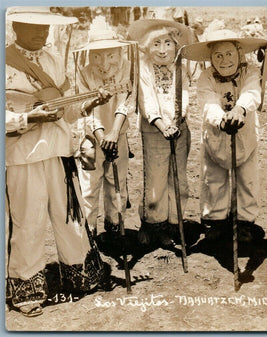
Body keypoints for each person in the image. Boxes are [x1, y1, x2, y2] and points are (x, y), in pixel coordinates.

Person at [5, 8, 107, 317]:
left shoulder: (52, 59)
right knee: (29, 220)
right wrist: (27, 117)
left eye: (46, 27)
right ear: (15, 25)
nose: (42, 33)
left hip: (58, 149)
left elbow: (67, 109)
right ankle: (27, 288)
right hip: (22, 154)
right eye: (33, 27)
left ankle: (80, 275)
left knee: (69, 216)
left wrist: (87, 104)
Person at [181, 29, 267, 242]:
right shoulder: (206, 77)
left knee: (247, 179)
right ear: (210, 58)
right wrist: (221, 119)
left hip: (245, 133)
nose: (225, 60)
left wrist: (240, 110)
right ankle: (215, 220)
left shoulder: (251, 72)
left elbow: (251, 92)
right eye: (218, 55)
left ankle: (244, 221)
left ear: (239, 53)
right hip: (215, 134)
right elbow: (207, 102)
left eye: (229, 54)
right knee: (213, 179)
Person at [128, 18, 192, 247]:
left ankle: (174, 222)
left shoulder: (180, 68)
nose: (163, 50)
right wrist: (162, 125)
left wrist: (178, 118)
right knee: (155, 179)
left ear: (175, 45)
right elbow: (146, 100)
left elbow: (184, 94)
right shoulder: (144, 69)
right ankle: (153, 224)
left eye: (167, 43)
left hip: (179, 128)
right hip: (155, 130)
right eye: (156, 43)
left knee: (178, 177)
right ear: (146, 46)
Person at [74, 27, 137, 236]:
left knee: (116, 183)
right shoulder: (83, 73)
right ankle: (88, 235)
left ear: (119, 53)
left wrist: (114, 134)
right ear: (90, 55)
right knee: (89, 186)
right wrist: (101, 136)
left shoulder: (127, 68)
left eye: (110, 55)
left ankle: (115, 228)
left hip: (118, 135)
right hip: (90, 141)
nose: (104, 62)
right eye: (97, 56)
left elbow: (125, 103)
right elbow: (86, 108)